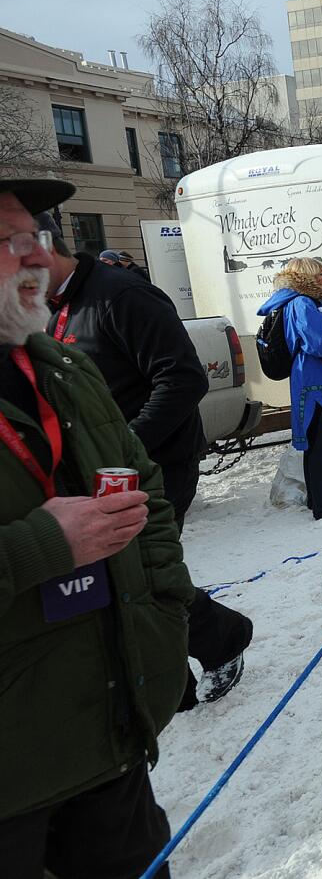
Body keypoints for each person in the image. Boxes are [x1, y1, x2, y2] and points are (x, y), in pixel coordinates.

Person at [0, 177, 192, 877]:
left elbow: (150, 499)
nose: (34, 260)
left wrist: (164, 614)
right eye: (10, 243)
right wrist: (41, 547)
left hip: (108, 740)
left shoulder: (61, 368)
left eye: (37, 240)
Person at [41, 213, 252, 708]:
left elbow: (183, 379)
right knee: (122, 576)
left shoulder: (121, 295)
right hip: (100, 470)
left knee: (142, 573)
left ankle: (219, 641)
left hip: (157, 464)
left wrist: (126, 449)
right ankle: (170, 681)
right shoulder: (55, 307)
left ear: (42, 246)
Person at [258, 257, 322, 519]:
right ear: (306, 278)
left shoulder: (304, 301)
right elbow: (317, 343)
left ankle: (321, 499)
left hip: (314, 376)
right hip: (317, 379)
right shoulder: (302, 303)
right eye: (320, 275)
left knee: (320, 442)